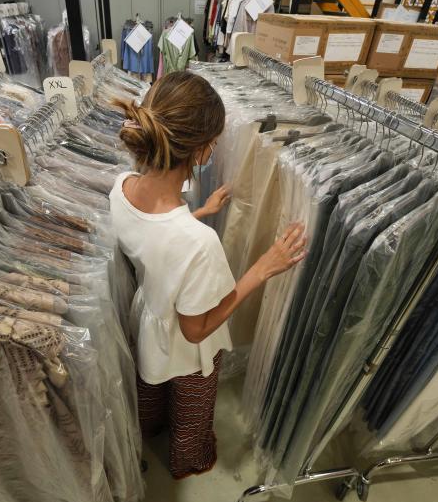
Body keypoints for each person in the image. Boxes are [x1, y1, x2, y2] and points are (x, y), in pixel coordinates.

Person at [109, 70, 307, 479]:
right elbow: (196, 329)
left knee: (151, 386)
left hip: (148, 316)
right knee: (192, 406)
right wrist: (261, 268)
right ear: (201, 152)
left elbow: (152, 239)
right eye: (214, 144)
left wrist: (200, 212)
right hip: (186, 349)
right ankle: (189, 460)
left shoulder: (122, 187)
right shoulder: (199, 244)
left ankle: (149, 428)